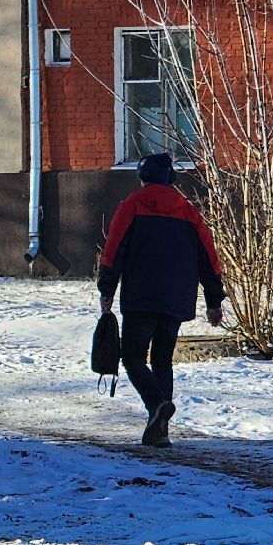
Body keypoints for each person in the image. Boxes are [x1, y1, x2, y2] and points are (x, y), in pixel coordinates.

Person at [97, 152, 226, 447]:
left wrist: (107, 289)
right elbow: (209, 258)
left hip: (141, 297)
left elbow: (114, 249)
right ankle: (160, 430)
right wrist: (214, 299)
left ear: (143, 178)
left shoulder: (132, 205)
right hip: (176, 299)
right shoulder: (189, 211)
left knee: (132, 356)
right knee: (162, 361)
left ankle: (156, 405)